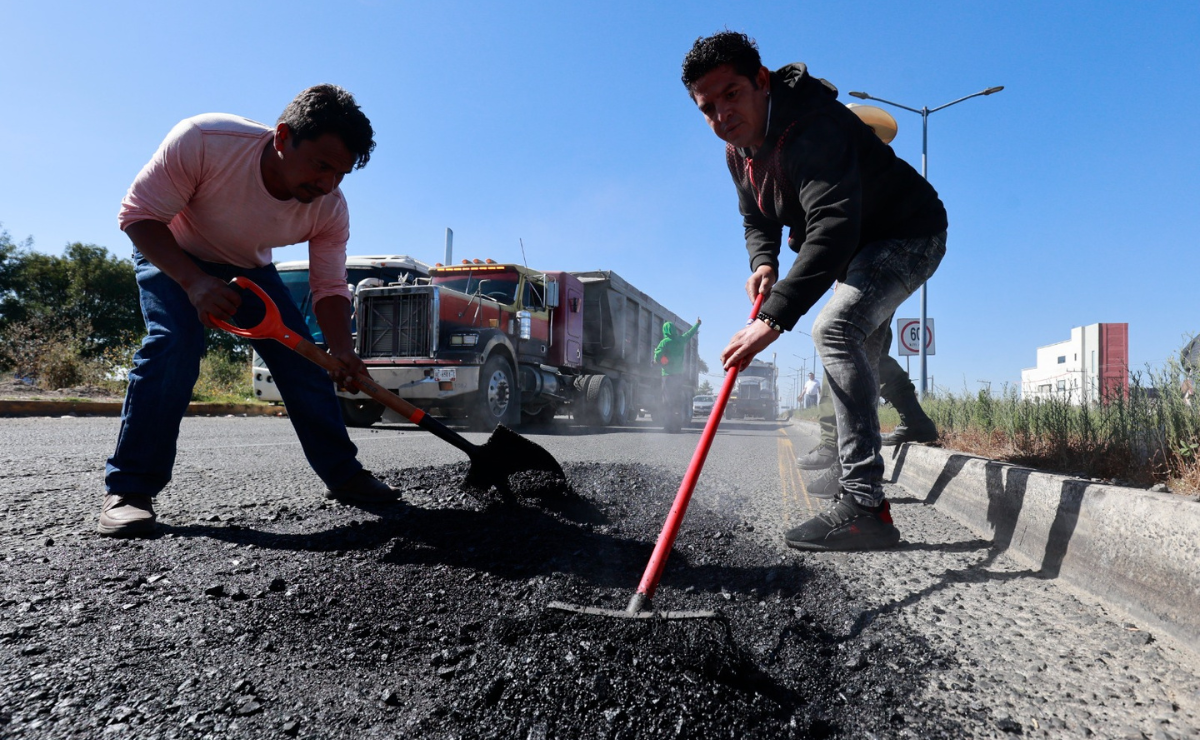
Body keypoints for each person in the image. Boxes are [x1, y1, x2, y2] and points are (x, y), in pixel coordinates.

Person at [683, 32, 947, 551]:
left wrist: (773, 318)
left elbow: (833, 226)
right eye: (707, 107)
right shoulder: (739, 151)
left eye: (731, 94)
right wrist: (763, 261)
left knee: (835, 330)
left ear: (761, 82)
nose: (721, 115)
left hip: (907, 235)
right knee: (858, 351)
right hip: (859, 251)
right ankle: (859, 484)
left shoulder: (813, 127)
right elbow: (755, 215)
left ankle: (865, 508)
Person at [99, 85, 398, 538]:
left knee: (305, 364)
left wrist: (342, 351)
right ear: (282, 138)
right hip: (173, 249)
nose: (327, 185)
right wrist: (194, 282)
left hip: (248, 268)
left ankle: (344, 475)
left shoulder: (330, 209)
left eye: (340, 174)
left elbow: (331, 287)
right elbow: (138, 215)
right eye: (320, 165)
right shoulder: (206, 140)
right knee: (174, 345)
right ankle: (129, 490)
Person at [654, 318, 701, 433]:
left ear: (664, 330)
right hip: (679, 376)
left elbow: (657, 355)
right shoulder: (680, 340)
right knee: (677, 401)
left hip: (667, 376)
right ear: (674, 330)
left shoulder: (665, 342)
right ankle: (677, 426)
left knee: (667, 402)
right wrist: (697, 324)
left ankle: (668, 426)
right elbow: (689, 334)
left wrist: (657, 359)